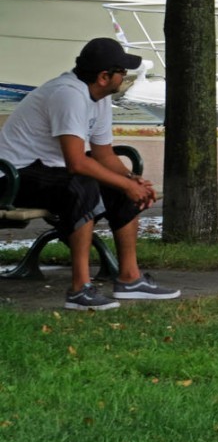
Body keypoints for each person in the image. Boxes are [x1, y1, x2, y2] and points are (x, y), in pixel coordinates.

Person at [0, 38, 180, 311]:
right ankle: (79, 289)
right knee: (81, 185)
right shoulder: (68, 94)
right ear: (104, 76)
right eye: (122, 72)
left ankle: (130, 279)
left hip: (46, 170)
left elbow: (103, 155)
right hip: (12, 176)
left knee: (118, 187)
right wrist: (125, 183)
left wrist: (131, 181)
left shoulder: (99, 96)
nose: (126, 77)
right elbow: (77, 164)